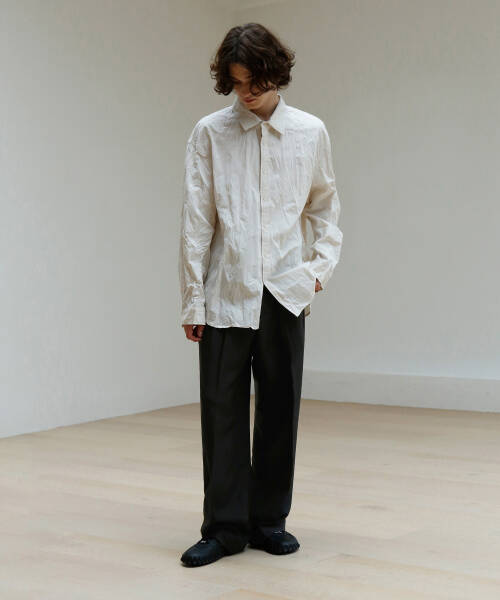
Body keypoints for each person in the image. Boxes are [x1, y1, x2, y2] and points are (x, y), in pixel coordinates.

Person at [178, 22, 343, 567]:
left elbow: (325, 210)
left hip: (285, 295)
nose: (246, 93)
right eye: (237, 82)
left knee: (279, 410)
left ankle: (269, 520)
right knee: (221, 412)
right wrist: (192, 299)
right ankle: (224, 529)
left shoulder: (310, 132)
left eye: (255, 82)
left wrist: (315, 273)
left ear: (277, 73)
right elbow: (196, 222)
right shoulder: (210, 132)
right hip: (225, 293)